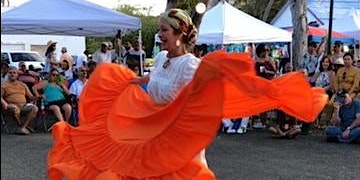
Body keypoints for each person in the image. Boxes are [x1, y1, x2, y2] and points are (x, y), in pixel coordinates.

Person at [47, 8, 328, 180]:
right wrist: (124, 82)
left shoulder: (191, 66)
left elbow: (201, 97)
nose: (159, 35)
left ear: (180, 33)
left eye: (164, 30)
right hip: (152, 132)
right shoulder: (159, 60)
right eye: (159, 30)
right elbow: (151, 81)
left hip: (178, 137)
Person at [1, 67, 38, 135]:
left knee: (34, 108)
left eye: (14, 73)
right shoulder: (4, 85)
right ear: (8, 74)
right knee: (14, 108)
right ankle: (21, 126)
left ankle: (23, 127)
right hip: (10, 105)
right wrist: (4, 103)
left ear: (17, 75)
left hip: (23, 105)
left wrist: (38, 97)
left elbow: (30, 97)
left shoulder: (23, 85)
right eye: (10, 73)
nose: (12, 74)